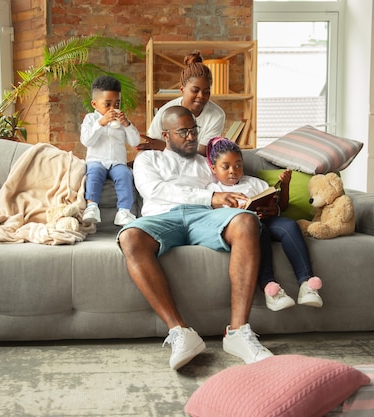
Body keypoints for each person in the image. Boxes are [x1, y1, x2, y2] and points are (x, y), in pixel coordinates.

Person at [117, 105, 273, 371]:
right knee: (130, 237)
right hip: (163, 217)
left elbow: (235, 180)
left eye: (194, 130)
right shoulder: (148, 159)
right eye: (183, 132)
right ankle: (180, 332)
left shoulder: (208, 162)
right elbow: (154, 189)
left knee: (247, 222)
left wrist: (264, 204)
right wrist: (209, 197)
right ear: (165, 135)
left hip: (206, 217)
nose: (191, 136)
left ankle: (238, 333)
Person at [205, 137, 323, 312]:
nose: (233, 171)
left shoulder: (254, 183)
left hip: (266, 220)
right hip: (245, 229)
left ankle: (307, 284)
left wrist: (281, 193)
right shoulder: (213, 191)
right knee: (259, 232)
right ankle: (271, 289)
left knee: (289, 226)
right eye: (226, 166)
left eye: (238, 165)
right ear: (214, 168)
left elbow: (279, 207)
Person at [138, 51, 225, 157]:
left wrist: (164, 146)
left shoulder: (216, 115)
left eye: (206, 91)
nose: (201, 96)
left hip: (196, 167)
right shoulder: (166, 112)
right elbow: (152, 146)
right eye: (195, 90)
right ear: (182, 89)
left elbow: (202, 155)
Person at [80, 75, 140, 226]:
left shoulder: (122, 120)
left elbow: (135, 142)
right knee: (93, 174)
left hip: (117, 162)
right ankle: (92, 207)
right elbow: (87, 140)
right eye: (107, 104)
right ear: (94, 104)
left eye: (117, 103)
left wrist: (127, 125)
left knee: (125, 174)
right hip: (96, 160)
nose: (113, 108)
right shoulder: (90, 119)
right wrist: (101, 123)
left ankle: (124, 212)